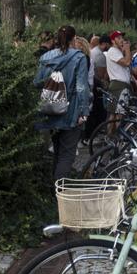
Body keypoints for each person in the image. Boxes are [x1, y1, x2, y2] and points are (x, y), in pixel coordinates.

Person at [34, 25, 91, 179]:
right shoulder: (79, 57)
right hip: (70, 110)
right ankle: (60, 193)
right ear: (74, 38)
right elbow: (81, 88)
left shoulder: (45, 57)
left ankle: (54, 189)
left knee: (57, 151)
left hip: (49, 108)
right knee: (67, 155)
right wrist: (84, 111)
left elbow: (37, 82)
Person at [105, 31, 132, 125]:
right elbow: (127, 62)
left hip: (120, 85)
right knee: (118, 114)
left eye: (122, 38)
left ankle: (111, 136)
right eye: (119, 38)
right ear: (113, 41)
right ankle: (114, 136)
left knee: (115, 113)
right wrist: (128, 49)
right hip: (119, 85)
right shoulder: (113, 51)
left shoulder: (118, 52)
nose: (122, 40)